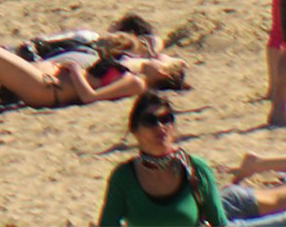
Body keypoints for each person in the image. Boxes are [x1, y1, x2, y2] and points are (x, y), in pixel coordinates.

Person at [96, 94, 227, 227]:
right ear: (135, 131)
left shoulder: (196, 169)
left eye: (166, 119)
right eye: (149, 121)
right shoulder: (123, 177)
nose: (160, 127)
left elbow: (220, 223)